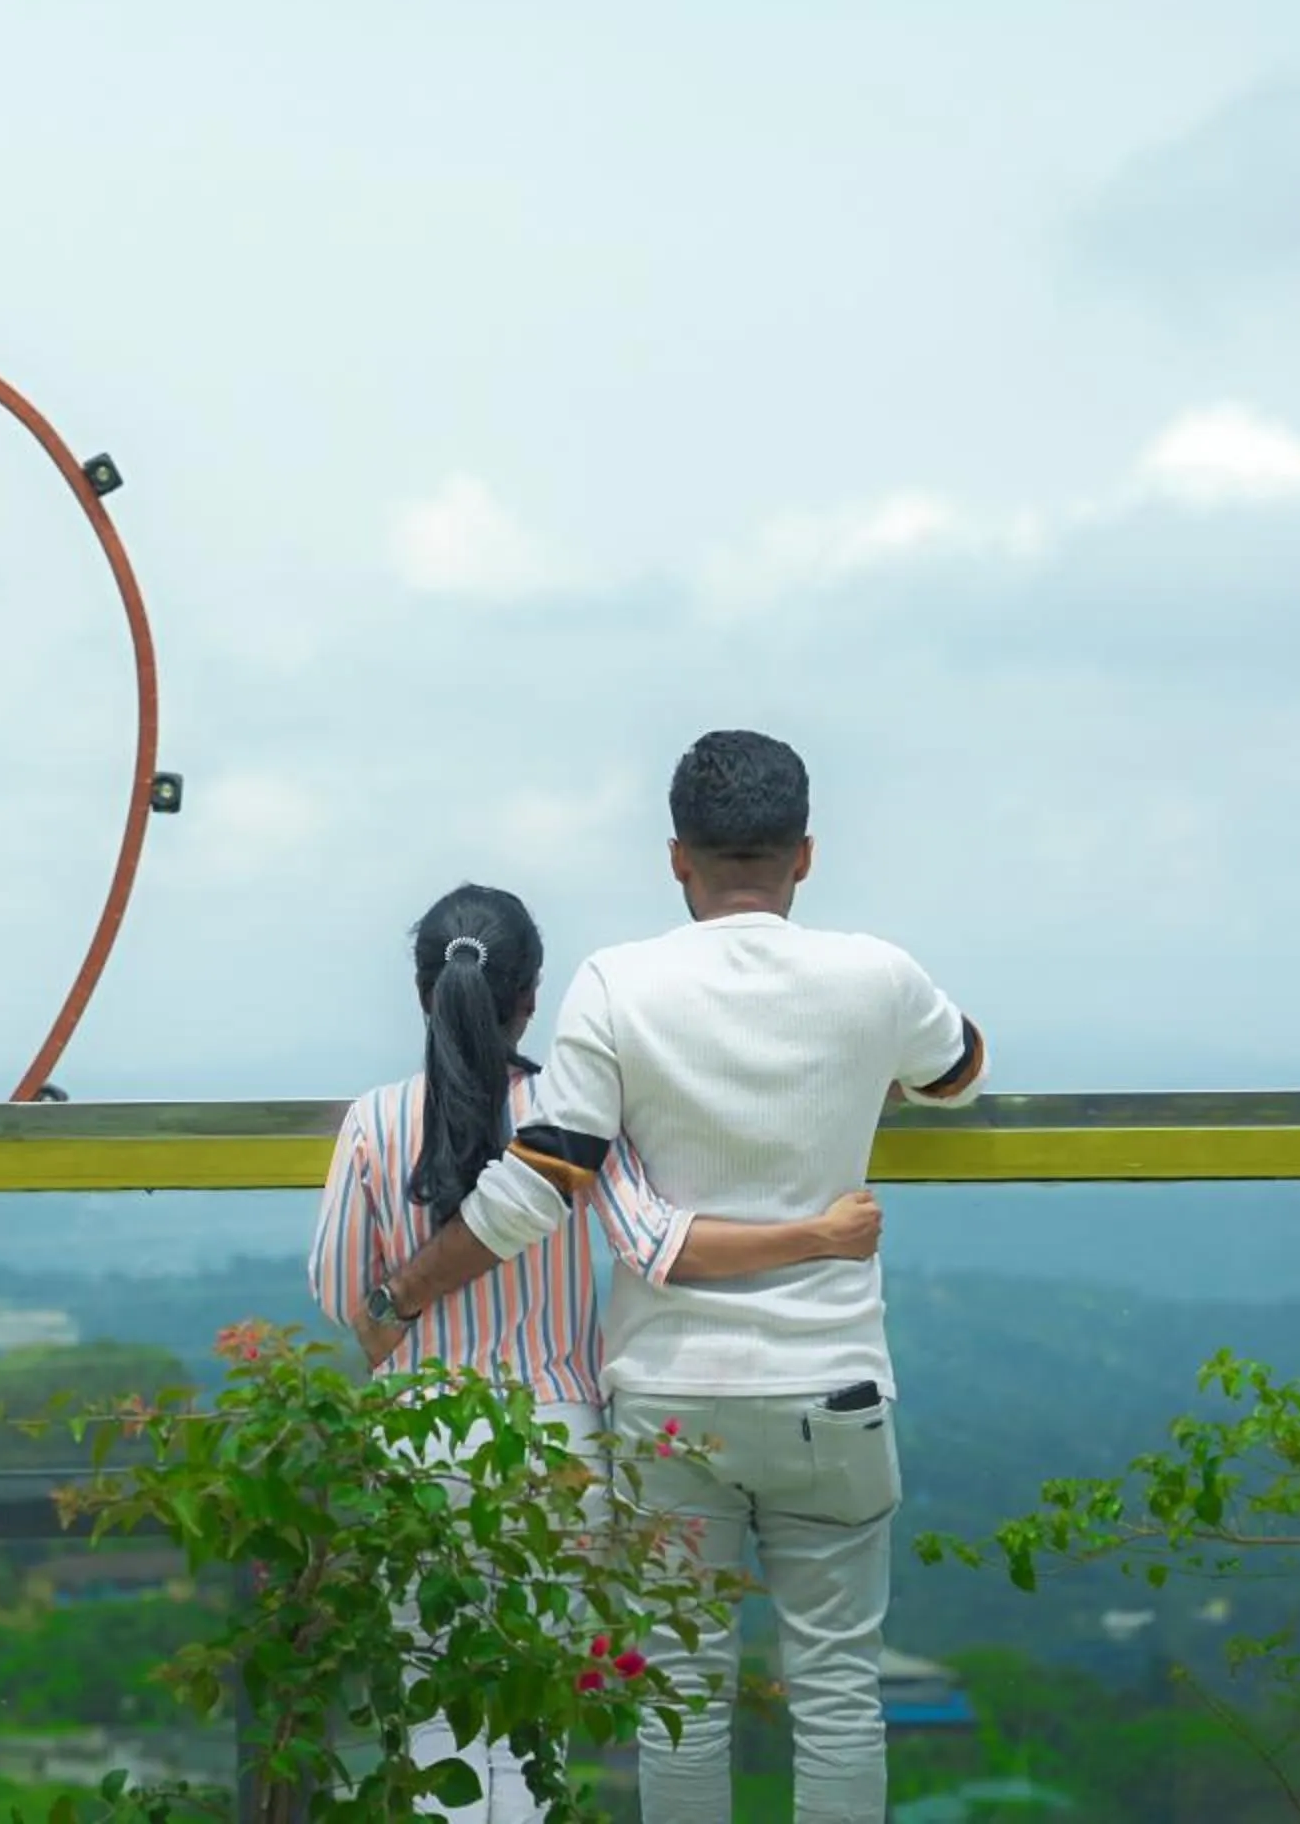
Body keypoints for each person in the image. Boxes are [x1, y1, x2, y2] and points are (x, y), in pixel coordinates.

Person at [359, 734, 987, 1824]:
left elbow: (542, 1184)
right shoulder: (876, 973)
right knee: (837, 1696)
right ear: (805, 855)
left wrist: (403, 1292)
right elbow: (959, 1073)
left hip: (666, 1401)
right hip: (831, 1386)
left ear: (676, 859)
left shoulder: (619, 983)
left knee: (683, 1700)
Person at [309, 879, 889, 1823]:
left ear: (425, 995)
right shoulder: (574, 1117)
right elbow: (654, 1245)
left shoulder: (372, 1123)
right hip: (556, 1449)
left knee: (431, 1724)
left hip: (411, 1442)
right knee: (531, 1729)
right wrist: (818, 1235)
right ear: (531, 998)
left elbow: (343, 1294)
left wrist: (400, 1307)